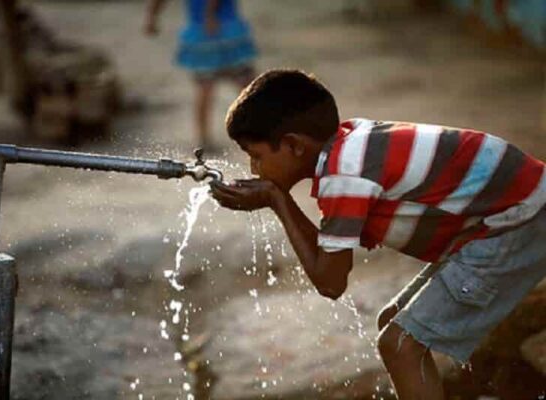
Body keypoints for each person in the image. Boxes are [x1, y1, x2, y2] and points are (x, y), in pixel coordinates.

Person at [210, 69, 546, 400]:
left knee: (400, 345)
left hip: (520, 219)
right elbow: (329, 261)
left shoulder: (345, 176)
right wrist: (276, 197)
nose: (255, 168)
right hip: (508, 214)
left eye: (256, 156)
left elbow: (330, 281)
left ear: (294, 146)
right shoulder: (348, 146)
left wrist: (277, 200)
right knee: (393, 323)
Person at [144, 0, 257, 151]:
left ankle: (205, 138)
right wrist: (209, 15)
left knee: (209, 87)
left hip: (205, 32)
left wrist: (152, 17)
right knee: (246, 86)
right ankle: (259, 129)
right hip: (223, 30)